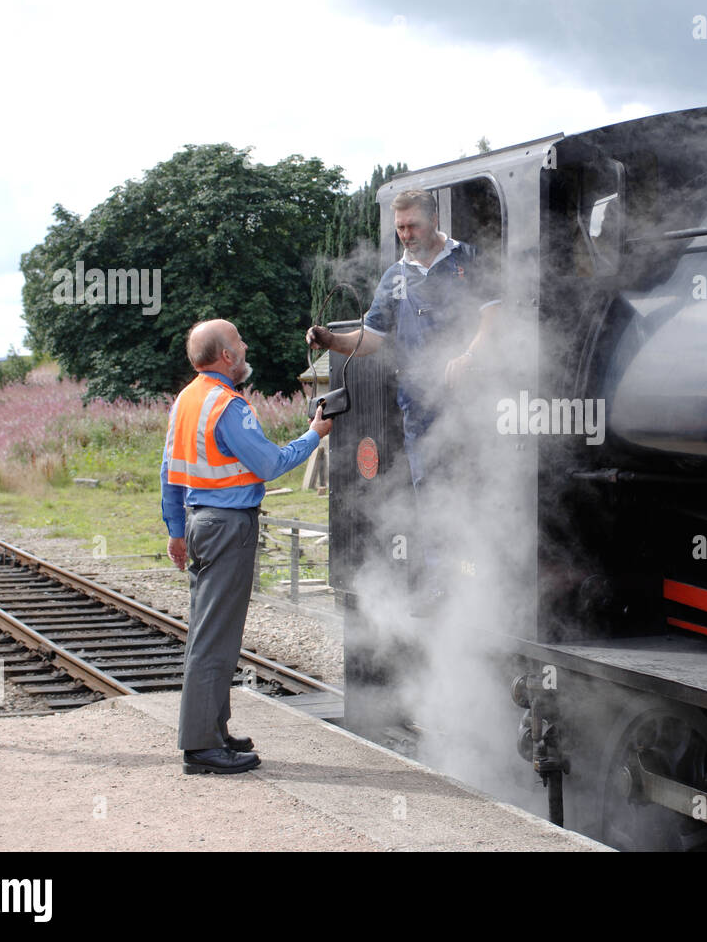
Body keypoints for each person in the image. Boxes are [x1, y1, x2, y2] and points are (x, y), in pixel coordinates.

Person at [306, 189, 498, 605]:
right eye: (400, 228)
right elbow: (371, 339)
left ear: (433, 220)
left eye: (412, 226)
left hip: (474, 394)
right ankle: (440, 584)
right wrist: (330, 341)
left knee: (478, 481)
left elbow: (494, 318)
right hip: (420, 400)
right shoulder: (395, 277)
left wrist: (468, 356)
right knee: (428, 486)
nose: (406, 234)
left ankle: (486, 577)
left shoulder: (470, 259)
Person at [161, 318, 332, 774]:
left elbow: (169, 471)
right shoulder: (227, 405)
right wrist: (314, 434)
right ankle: (201, 748)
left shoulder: (187, 399)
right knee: (215, 638)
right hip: (228, 525)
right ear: (226, 357)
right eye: (239, 340)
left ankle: (214, 731)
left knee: (209, 630)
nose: (246, 344)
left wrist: (176, 530)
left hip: (200, 522)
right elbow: (269, 463)